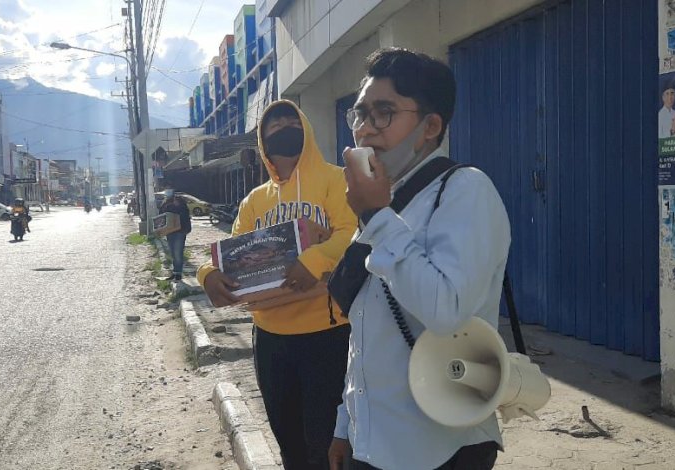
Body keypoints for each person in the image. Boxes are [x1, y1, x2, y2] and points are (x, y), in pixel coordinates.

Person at [329, 48, 511, 470]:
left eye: (384, 113)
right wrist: (345, 425)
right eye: (359, 114)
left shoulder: (465, 190)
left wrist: (376, 216)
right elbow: (368, 332)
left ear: (431, 126)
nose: (364, 130)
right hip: (372, 443)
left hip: (440, 447)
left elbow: (446, 311)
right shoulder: (384, 203)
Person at [197, 100, 358, 469]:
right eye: (274, 125)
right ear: (263, 143)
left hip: (328, 333)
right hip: (271, 337)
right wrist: (207, 274)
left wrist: (313, 260)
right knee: (287, 439)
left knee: (329, 441)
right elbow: (228, 253)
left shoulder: (336, 180)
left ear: (305, 127)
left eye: (291, 120)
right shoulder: (255, 200)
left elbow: (352, 235)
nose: (284, 127)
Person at [159, 188, 191, 281]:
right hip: (169, 231)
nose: (167, 192)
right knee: (173, 253)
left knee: (178, 253)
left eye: (169, 190)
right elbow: (161, 214)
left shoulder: (179, 201)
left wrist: (178, 206)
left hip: (180, 231)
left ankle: (178, 274)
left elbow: (185, 214)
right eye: (166, 190)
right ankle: (175, 272)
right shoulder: (165, 202)